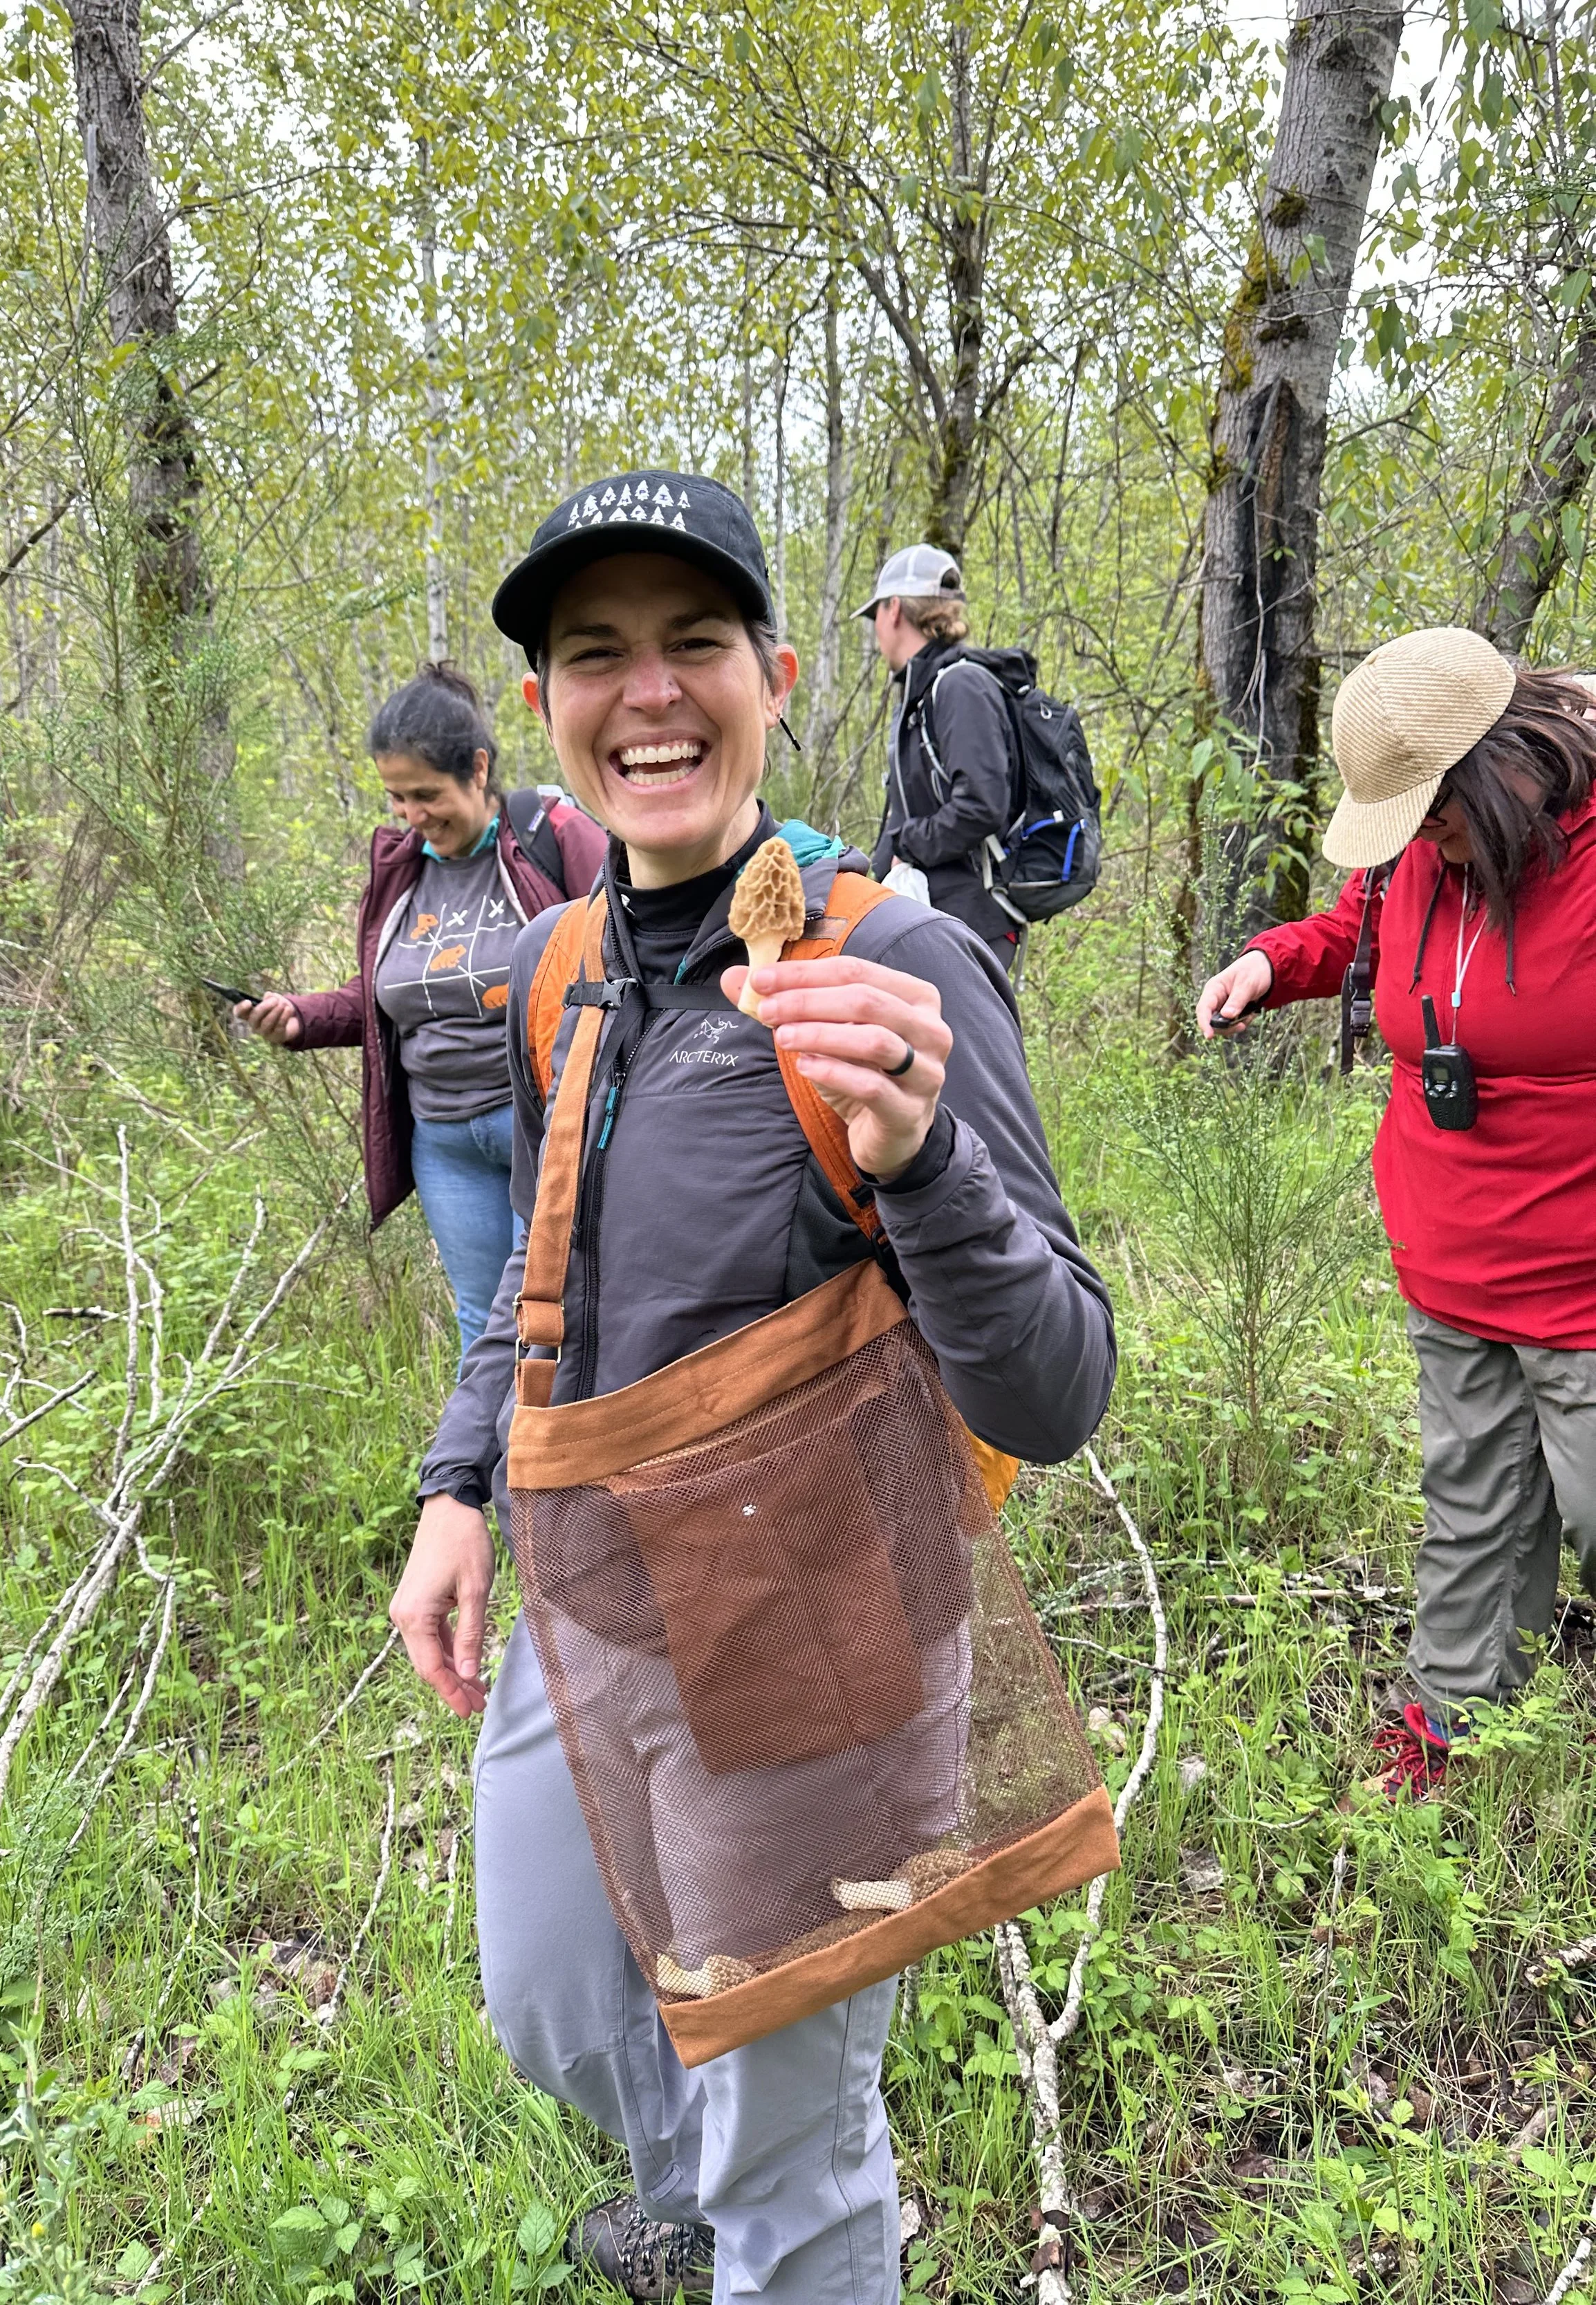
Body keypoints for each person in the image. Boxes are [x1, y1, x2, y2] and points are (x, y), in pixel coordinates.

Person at [388, 471, 1117, 2303]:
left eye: (693, 642)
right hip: (595, 1581)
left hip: (813, 1611)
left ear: (776, 674)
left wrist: (924, 1157)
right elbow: (539, 1278)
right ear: (547, 710)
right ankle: (719, 2200)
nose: (649, 691)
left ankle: (793, 2231)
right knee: (549, 1993)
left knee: (794, 2129)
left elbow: (1056, 1382)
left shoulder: (886, 955)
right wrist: (459, 1481)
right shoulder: (564, 964)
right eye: (595, 653)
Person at [1196, 627, 1596, 1800]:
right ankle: (1458, 1727)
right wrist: (1274, 961)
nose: (1425, 841)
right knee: (1474, 1509)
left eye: (1435, 814)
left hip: (1583, 1282)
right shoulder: (1422, 850)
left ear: (1500, 766)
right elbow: (1361, 935)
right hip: (1450, 1259)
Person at [239, 663, 604, 1351]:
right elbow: (381, 993)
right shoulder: (401, 870)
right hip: (443, 1141)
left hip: (543, 1123)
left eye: (425, 794)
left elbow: (625, 945)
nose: (411, 816)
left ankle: (575, 1451)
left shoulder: (549, 836)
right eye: (396, 797)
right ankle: (488, 1463)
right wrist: (300, 1016)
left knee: (561, 1312)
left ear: (477, 769)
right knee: (483, 1325)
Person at [862, 544, 1026, 973]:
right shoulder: (921, 696)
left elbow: (981, 805)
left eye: (875, 614)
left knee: (958, 1042)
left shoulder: (960, 686)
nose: (876, 629)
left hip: (971, 921)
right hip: (934, 917)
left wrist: (907, 846)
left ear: (893, 610)